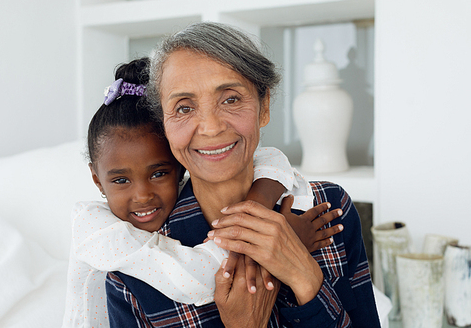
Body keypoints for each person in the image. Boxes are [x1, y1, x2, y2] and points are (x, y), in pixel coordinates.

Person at [105, 22, 381, 327]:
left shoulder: (328, 209)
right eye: (184, 108)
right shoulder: (134, 270)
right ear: (164, 125)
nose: (211, 127)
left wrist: (304, 275)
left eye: (231, 99)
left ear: (264, 106)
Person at [62, 58, 344, 327]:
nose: (143, 195)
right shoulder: (98, 234)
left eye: (159, 174)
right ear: (97, 180)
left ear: (180, 166)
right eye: (121, 180)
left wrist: (256, 207)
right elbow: (191, 278)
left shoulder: (330, 202)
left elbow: (270, 158)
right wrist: (278, 242)